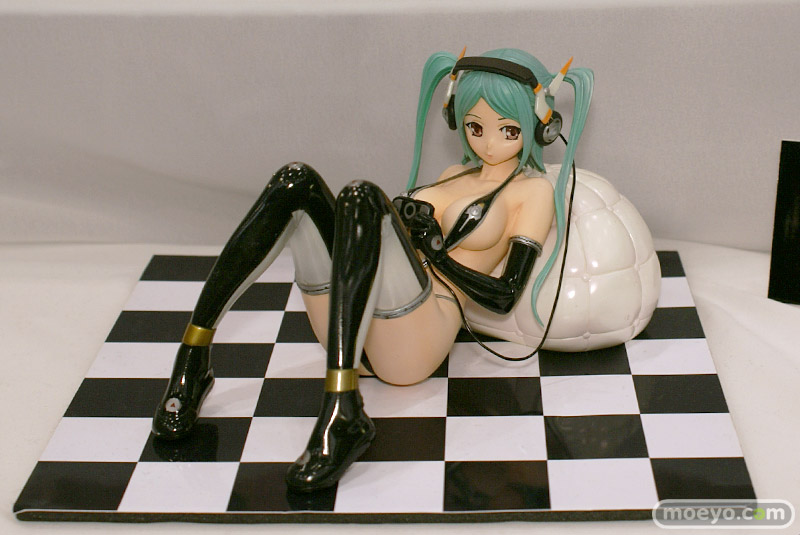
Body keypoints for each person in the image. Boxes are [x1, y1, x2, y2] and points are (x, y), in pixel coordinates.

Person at [151, 48, 594, 492]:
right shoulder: (453, 173)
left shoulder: (533, 192)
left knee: (360, 196)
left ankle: (343, 412)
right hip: (358, 322)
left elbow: (504, 295)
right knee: (295, 180)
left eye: (508, 130)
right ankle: (193, 359)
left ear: (541, 126)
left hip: (418, 336)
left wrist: (436, 252)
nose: (488, 143)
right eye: (475, 127)